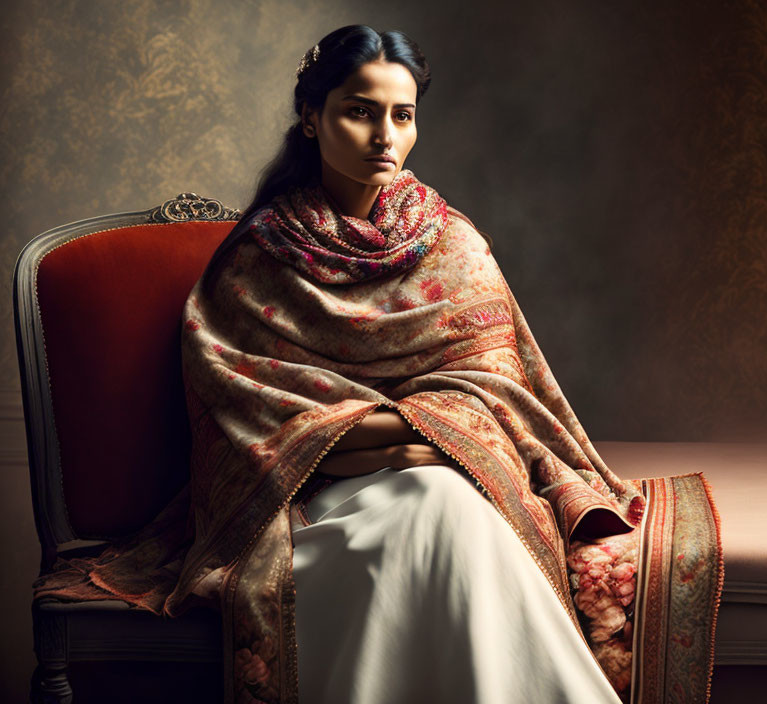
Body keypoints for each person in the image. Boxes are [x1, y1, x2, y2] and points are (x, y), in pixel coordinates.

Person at [177, 24, 647, 704]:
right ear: (311, 119)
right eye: (360, 111)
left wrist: (409, 447)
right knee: (435, 501)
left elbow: (492, 393)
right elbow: (246, 414)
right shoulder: (260, 256)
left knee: (445, 502)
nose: (384, 136)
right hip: (309, 502)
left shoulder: (450, 241)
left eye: (403, 115)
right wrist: (403, 450)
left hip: (446, 472)